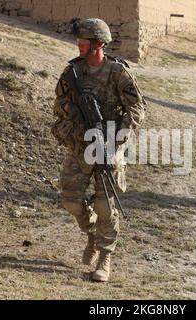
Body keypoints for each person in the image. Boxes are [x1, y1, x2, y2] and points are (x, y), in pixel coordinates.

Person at [51, 18, 146, 281]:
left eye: (84, 43)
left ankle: (104, 257)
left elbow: (137, 108)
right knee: (71, 201)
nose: (79, 47)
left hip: (108, 144)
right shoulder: (73, 72)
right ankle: (91, 232)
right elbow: (58, 102)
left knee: (105, 205)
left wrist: (118, 139)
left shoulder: (118, 72)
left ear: (98, 44)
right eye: (79, 42)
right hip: (80, 144)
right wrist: (72, 109)